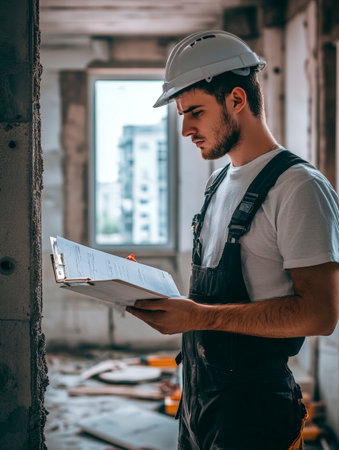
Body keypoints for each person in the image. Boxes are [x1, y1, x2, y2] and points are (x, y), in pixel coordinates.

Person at [126, 30, 339, 449]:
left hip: (255, 415)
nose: (186, 128)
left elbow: (320, 315)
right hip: (199, 402)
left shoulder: (298, 188)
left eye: (195, 113)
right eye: (182, 114)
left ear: (237, 100)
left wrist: (198, 317)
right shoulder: (220, 181)